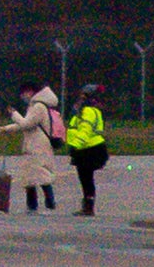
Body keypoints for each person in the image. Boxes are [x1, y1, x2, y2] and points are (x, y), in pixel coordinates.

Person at [0, 80, 58, 213]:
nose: (23, 96)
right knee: (31, 175)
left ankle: (44, 202)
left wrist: (14, 114)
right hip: (35, 143)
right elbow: (26, 124)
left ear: (31, 92)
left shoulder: (38, 106)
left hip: (37, 145)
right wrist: (6, 129)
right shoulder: (36, 106)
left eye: (24, 93)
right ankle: (38, 203)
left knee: (38, 174)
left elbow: (26, 124)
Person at [67, 83, 108, 217]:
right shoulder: (87, 111)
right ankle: (87, 205)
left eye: (84, 96)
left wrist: (76, 146)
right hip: (88, 148)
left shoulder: (88, 111)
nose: (80, 99)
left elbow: (85, 129)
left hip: (89, 149)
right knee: (86, 178)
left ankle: (88, 207)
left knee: (86, 178)